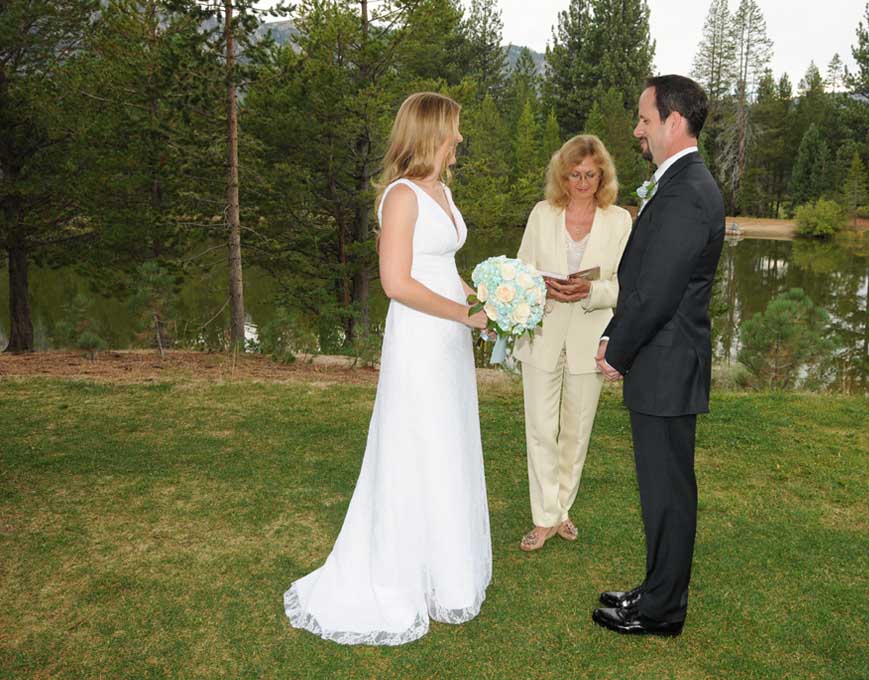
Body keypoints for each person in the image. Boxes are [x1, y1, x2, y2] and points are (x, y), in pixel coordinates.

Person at [284, 92, 492, 646]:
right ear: (430, 133)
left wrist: (487, 304)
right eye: (454, 130)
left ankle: (443, 573)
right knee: (415, 444)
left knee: (446, 444)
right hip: (422, 340)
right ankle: (399, 575)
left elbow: (442, 268)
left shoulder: (442, 191)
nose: (460, 139)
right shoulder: (401, 197)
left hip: (448, 335)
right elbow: (396, 283)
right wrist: (465, 314)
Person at [592, 75, 725, 637]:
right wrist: (615, 331)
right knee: (661, 489)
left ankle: (662, 611)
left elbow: (659, 290)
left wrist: (616, 350)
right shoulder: (677, 185)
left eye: (645, 119)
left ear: (673, 122)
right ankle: (656, 589)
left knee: (668, 492)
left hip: (666, 365)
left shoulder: (689, 191)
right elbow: (643, 279)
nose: (637, 130)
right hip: (664, 361)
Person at [513, 135, 632, 552]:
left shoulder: (619, 221)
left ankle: (562, 509)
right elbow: (519, 273)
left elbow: (627, 287)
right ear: (561, 176)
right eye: (574, 174)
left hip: (589, 338)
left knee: (576, 432)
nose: (582, 183)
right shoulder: (542, 214)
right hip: (541, 333)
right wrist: (541, 286)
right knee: (541, 429)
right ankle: (544, 517)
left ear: (603, 176)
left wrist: (591, 292)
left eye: (590, 175)